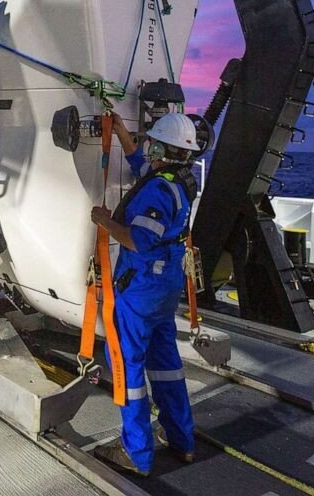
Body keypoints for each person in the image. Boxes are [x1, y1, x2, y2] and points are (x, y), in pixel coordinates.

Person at [90, 111, 199, 477]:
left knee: (128, 363)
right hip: (166, 284)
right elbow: (141, 164)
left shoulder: (156, 189)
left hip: (141, 289)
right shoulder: (179, 180)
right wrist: (121, 130)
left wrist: (103, 220)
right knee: (166, 363)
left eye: (151, 141)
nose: (146, 146)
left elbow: (138, 239)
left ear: (162, 147)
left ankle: (136, 452)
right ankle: (182, 440)